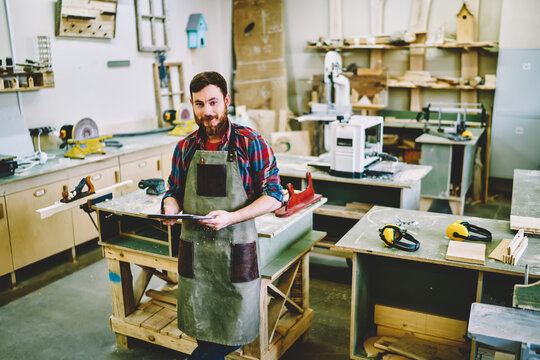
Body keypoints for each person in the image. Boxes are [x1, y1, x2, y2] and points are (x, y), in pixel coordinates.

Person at [161, 71, 283, 360]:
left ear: (226, 100)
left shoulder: (249, 142)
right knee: (203, 326)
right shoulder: (185, 147)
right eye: (200, 104)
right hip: (196, 253)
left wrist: (230, 217)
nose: (208, 112)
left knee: (232, 329)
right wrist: (169, 209)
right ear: (191, 104)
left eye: (214, 102)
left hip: (234, 250)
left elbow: (274, 196)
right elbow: (173, 191)